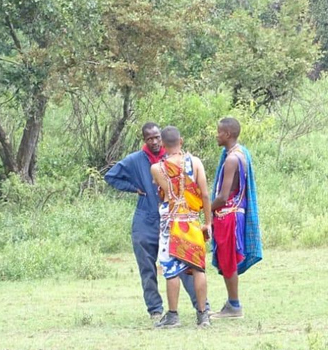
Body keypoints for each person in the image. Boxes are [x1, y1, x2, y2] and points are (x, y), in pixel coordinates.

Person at [104, 122, 206, 320]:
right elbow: (111, 176)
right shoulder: (136, 160)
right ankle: (155, 309)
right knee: (147, 266)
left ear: (163, 138)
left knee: (185, 263)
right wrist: (134, 188)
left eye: (157, 137)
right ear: (144, 140)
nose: (155, 141)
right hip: (147, 217)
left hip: (175, 219)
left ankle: (201, 306)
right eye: (150, 138)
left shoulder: (173, 159)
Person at [150, 126, 212, 328]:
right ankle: (203, 315)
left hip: (171, 222)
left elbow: (166, 192)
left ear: (162, 145)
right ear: (181, 141)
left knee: (171, 270)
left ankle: (173, 315)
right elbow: (204, 194)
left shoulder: (157, 168)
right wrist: (208, 222)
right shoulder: (195, 162)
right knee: (197, 267)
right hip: (192, 221)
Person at [210, 117, 263, 319]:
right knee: (227, 259)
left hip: (229, 215)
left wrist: (204, 208)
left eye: (219, 132)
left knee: (228, 260)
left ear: (228, 134)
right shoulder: (240, 153)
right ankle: (232, 303)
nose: (217, 135)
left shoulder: (232, 159)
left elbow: (223, 197)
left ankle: (234, 305)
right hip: (233, 214)